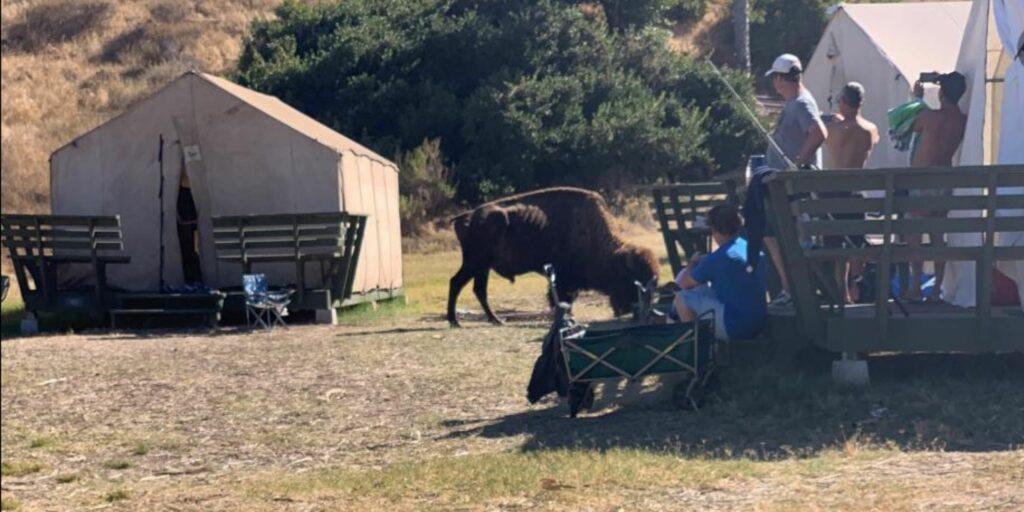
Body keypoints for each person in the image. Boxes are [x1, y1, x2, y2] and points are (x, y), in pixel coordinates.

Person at [762, 53, 828, 306]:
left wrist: (797, 163)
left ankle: (793, 289)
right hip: (788, 187)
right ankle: (791, 288)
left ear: (780, 78)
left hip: (794, 187)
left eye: (775, 79)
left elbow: (819, 132)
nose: (774, 85)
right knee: (773, 234)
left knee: (781, 236)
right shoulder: (798, 101)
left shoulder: (800, 102)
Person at [905, 72, 967, 301]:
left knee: (914, 235)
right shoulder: (962, 120)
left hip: (921, 182)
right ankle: (937, 289)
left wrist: (917, 98)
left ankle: (914, 287)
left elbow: (908, 125)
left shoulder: (930, 117)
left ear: (941, 94)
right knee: (937, 236)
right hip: (944, 181)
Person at [673, 204, 767, 341]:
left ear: (714, 229)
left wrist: (692, 263)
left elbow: (682, 284)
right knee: (700, 289)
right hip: (759, 321)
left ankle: (698, 349)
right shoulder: (754, 250)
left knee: (682, 298)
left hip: (735, 327)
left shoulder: (716, 258)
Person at [823, 82, 879, 302]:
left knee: (835, 245)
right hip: (856, 193)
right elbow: (874, 138)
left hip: (834, 193)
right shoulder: (870, 129)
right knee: (856, 243)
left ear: (844, 102)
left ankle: (840, 292)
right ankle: (855, 287)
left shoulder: (834, 129)